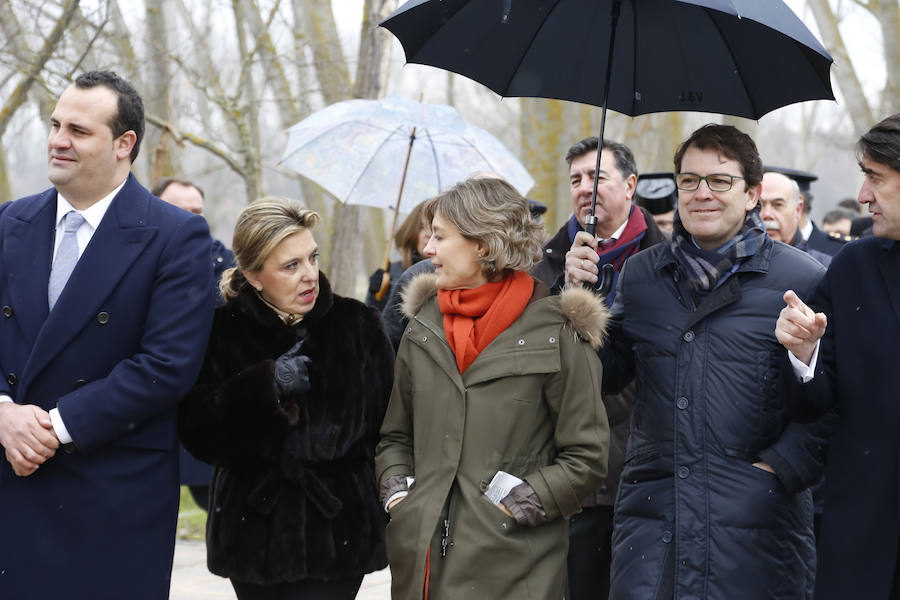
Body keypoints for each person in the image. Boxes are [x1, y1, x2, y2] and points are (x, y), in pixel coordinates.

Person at [568, 124, 831, 599]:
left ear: (751, 194)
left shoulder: (804, 278)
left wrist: (776, 472)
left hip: (756, 527)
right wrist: (580, 303)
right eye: (688, 181)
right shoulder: (642, 274)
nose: (701, 194)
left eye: (719, 181)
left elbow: (831, 407)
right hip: (654, 523)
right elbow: (607, 374)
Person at [0, 71, 215, 599]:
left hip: (113, 494)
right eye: (55, 125)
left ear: (124, 145)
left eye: (77, 130)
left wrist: (51, 427)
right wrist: (3, 411)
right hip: (11, 480)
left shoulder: (175, 236)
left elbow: (167, 364)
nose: (57, 140)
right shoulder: (9, 222)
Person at [376, 177, 610, 600]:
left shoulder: (557, 333)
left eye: (440, 237)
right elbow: (395, 437)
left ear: (482, 245)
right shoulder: (422, 329)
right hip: (421, 570)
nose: (427, 249)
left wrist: (521, 503)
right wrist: (399, 496)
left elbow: (587, 456)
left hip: (515, 570)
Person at [179, 197, 393, 600]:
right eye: (291, 266)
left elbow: (386, 430)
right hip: (252, 530)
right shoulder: (221, 331)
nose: (309, 275)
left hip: (338, 529)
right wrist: (266, 386)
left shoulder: (358, 326)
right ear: (253, 275)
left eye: (312, 258)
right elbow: (198, 434)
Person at [775, 113, 900, 599]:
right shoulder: (854, 268)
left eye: (877, 177)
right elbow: (813, 403)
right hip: (863, 541)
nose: (863, 194)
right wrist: (804, 354)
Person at [539, 137, 666, 600]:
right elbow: (535, 354)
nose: (584, 188)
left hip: (648, 469)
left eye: (597, 176)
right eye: (575, 179)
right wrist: (565, 291)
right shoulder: (546, 266)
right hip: (573, 472)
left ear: (631, 185)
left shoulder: (668, 260)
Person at [152, 177, 236, 511]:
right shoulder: (129, 261)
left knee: (217, 506)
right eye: (180, 210)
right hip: (147, 410)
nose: (191, 219)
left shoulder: (228, 267)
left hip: (206, 408)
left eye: (197, 211)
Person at [366, 201, 430, 312]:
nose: (428, 234)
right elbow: (375, 322)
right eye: (422, 227)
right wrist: (374, 296)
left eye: (434, 228)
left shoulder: (449, 277)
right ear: (412, 230)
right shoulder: (392, 271)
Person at [760, 171, 833, 266]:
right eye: (759, 205)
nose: (767, 214)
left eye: (778, 204)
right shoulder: (737, 260)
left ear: (798, 209)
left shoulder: (822, 267)